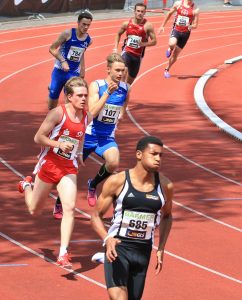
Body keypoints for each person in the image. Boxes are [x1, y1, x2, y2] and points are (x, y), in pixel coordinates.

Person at [18, 77, 90, 267]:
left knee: (69, 207)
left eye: (86, 95)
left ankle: (63, 253)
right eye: (80, 96)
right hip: (49, 164)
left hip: (68, 167)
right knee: (34, 209)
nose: (84, 99)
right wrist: (58, 143)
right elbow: (38, 137)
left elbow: (80, 137)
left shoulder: (85, 115)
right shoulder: (57, 113)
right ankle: (26, 185)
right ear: (69, 97)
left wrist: (80, 153)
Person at [91, 136, 173, 300]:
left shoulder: (165, 185)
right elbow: (95, 216)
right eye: (154, 154)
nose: (158, 159)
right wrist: (107, 239)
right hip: (118, 248)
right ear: (139, 154)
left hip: (143, 251)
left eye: (160, 155)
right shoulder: (118, 181)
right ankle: (105, 258)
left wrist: (161, 248)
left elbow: (167, 216)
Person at [53, 53, 130, 219]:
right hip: (88, 135)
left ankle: (93, 184)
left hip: (106, 137)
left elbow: (125, 103)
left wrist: (121, 114)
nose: (120, 74)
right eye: (117, 70)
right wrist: (107, 94)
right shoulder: (97, 86)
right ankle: (59, 201)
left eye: (122, 71)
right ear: (108, 69)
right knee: (71, 170)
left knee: (114, 162)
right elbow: (92, 113)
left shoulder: (125, 88)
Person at [48, 10, 93, 110]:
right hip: (59, 71)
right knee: (52, 104)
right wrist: (63, 61)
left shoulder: (89, 40)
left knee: (71, 103)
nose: (85, 27)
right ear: (78, 23)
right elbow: (52, 48)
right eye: (83, 24)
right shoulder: (67, 34)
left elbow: (81, 54)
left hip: (73, 73)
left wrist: (83, 70)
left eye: (88, 25)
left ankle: (67, 123)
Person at [113, 2, 157, 85]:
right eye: (138, 11)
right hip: (127, 52)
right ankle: (119, 93)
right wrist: (115, 48)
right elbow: (118, 34)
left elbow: (154, 41)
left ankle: (124, 93)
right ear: (134, 11)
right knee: (123, 72)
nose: (140, 13)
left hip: (137, 57)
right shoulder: (126, 24)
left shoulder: (148, 26)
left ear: (145, 12)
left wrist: (143, 44)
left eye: (142, 11)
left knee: (129, 84)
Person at [157, 0, 199, 78]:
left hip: (186, 34)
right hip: (176, 30)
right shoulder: (178, 3)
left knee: (176, 55)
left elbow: (196, 25)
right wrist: (162, 26)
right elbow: (169, 13)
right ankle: (170, 48)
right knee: (172, 43)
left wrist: (191, 26)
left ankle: (167, 69)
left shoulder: (195, 9)